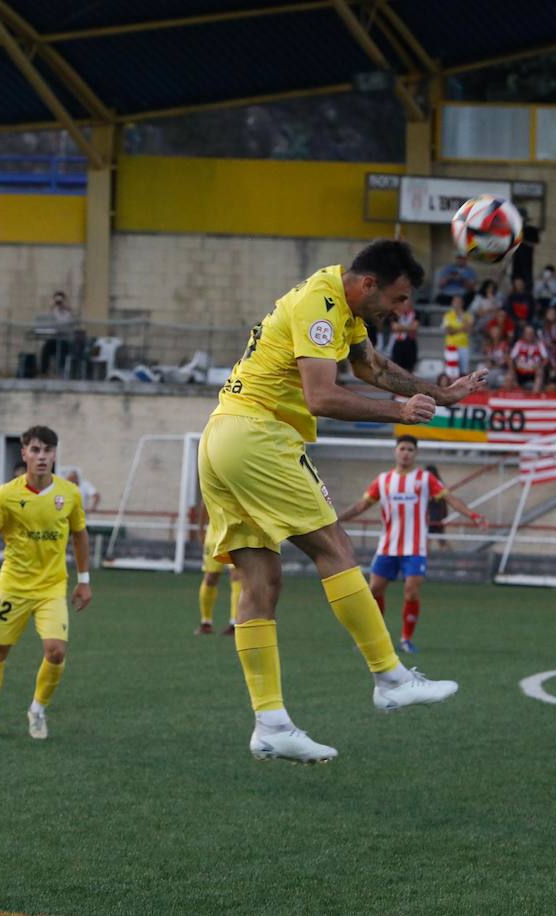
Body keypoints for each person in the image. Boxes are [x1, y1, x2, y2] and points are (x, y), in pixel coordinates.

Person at [198, 239, 479, 763]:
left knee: (261, 579)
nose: (401, 310)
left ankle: (271, 723)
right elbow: (320, 397)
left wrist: (441, 394)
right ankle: (390, 677)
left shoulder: (342, 308)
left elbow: (371, 367)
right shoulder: (322, 302)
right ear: (368, 284)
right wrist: (399, 410)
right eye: (396, 299)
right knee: (335, 546)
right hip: (259, 435)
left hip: (220, 440)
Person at [0, 426, 91, 740]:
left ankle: (37, 710)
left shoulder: (70, 494)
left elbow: (80, 536)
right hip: (13, 587)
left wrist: (84, 580)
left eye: (47, 451)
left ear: (54, 454)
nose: (41, 457)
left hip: (52, 587)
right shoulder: (7, 494)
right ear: (24, 454)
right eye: (35, 450)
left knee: (56, 652)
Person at [337, 436, 486, 655]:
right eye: (402, 448)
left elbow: (450, 499)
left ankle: (406, 639)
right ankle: (373, 639)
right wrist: (338, 519)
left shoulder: (425, 479)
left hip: (415, 548)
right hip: (388, 546)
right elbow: (362, 504)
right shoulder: (383, 480)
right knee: (374, 590)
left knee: (411, 592)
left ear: (416, 454)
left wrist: (473, 515)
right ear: (395, 452)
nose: (405, 453)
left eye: (410, 449)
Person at [441, 296, 473, 378]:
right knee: (451, 373)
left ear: (462, 303)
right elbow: (448, 331)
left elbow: (468, 329)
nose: (457, 304)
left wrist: (455, 327)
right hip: (451, 346)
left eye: (459, 302)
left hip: (464, 346)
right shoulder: (447, 315)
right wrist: (462, 328)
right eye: (455, 302)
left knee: (464, 373)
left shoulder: (467, 316)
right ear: (452, 303)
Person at [389, 299, 419, 372]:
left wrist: (401, 327)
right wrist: (409, 327)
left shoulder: (415, 313)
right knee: (396, 367)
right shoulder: (396, 314)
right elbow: (394, 327)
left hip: (410, 343)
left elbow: (415, 327)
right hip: (399, 342)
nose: (406, 306)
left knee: (410, 368)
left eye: (408, 305)